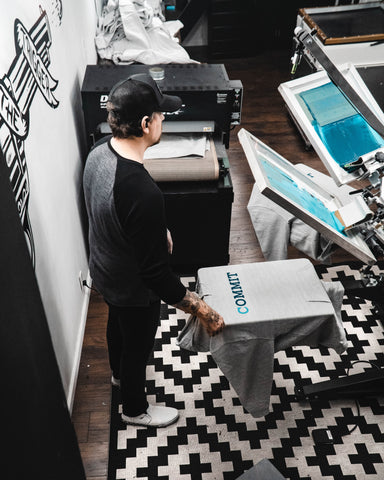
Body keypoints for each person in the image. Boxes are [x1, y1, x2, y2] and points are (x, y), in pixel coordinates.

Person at [83, 73, 225, 428]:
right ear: (146, 124)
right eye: (161, 115)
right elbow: (157, 277)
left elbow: (110, 208)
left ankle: (118, 377)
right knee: (138, 344)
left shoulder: (99, 151)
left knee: (118, 326)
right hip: (133, 285)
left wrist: (154, 230)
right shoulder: (142, 192)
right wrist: (204, 311)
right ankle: (133, 409)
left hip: (104, 267)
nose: (164, 120)